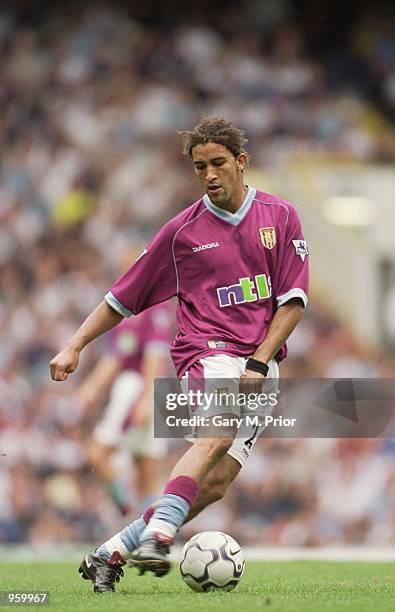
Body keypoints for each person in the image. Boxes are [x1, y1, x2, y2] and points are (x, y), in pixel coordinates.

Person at [50, 116, 309, 593]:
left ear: (241, 162)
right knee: (216, 432)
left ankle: (111, 552)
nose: (209, 175)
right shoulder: (182, 233)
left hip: (260, 363)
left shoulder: (280, 216)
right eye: (199, 167)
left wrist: (259, 361)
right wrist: (75, 343)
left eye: (217, 164)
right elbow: (121, 298)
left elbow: (292, 301)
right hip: (206, 352)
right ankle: (161, 536)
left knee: (214, 485)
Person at [78, 302, 172, 516]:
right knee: (145, 465)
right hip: (153, 389)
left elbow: (155, 355)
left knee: (98, 453)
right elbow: (117, 354)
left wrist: (147, 398)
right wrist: (92, 386)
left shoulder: (154, 309)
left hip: (139, 387)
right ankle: (143, 527)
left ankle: (128, 511)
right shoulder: (130, 310)